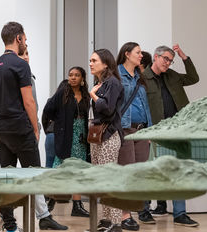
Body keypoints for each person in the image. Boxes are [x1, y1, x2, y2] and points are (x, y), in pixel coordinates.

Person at [0, 22, 67, 231]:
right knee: (34, 176)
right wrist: (36, 127)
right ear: (19, 38)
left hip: (1, 130)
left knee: (8, 177)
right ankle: (42, 218)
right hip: (20, 129)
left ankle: (11, 225)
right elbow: (29, 101)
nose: (26, 43)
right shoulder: (21, 65)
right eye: (25, 39)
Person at [142, 44, 199, 227]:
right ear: (156, 57)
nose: (168, 63)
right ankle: (144, 210)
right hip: (155, 131)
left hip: (177, 131)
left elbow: (193, 78)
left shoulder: (173, 76)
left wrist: (183, 57)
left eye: (170, 60)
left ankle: (180, 213)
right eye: (165, 58)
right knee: (150, 173)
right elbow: (141, 106)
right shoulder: (143, 78)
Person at [42, 66, 91, 218]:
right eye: (71, 75)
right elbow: (48, 110)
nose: (73, 78)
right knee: (59, 169)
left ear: (82, 78)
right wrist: (59, 123)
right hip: (65, 136)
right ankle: (51, 199)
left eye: (77, 75)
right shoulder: (62, 93)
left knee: (77, 171)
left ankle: (77, 205)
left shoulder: (87, 96)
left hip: (81, 138)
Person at [115, 42, 154, 230]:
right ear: (127, 54)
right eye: (138, 53)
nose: (141, 56)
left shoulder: (139, 76)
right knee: (127, 172)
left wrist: (150, 129)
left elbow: (145, 105)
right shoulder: (117, 75)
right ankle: (124, 215)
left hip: (141, 129)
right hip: (125, 130)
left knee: (139, 173)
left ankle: (132, 211)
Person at [88, 49, 125, 232]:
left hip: (109, 136)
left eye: (94, 60)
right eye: (90, 60)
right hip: (98, 136)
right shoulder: (101, 82)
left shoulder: (113, 83)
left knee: (109, 179)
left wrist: (93, 95)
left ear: (105, 64)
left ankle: (116, 222)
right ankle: (105, 220)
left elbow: (108, 109)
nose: (91, 63)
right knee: (100, 180)